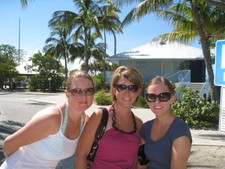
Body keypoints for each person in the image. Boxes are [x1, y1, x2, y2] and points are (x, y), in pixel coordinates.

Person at [0, 70, 95, 169]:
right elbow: (8, 145)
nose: (84, 96)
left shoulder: (85, 122)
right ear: (67, 94)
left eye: (89, 91)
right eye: (77, 91)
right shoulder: (52, 118)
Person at [75, 66, 144, 169]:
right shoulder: (100, 116)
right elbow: (81, 154)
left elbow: (135, 161)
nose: (127, 92)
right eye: (122, 87)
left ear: (138, 91)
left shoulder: (139, 124)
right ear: (114, 89)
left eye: (132, 88)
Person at [139, 76, 192, 169]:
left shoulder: (179, 130)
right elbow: (142, 164)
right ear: (147, 100)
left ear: (172, 99)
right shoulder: (146, 128)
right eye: (151, 97)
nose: (157, 101)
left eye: (163, 96)